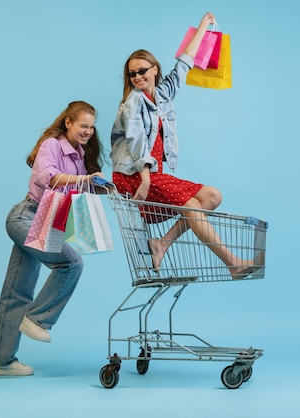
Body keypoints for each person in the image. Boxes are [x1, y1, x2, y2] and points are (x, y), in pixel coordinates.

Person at [110, 12, 263, 279]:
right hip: (133, 176)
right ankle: (233, 264)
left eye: (142, 71)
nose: (137, 77)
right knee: (193, 206)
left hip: (150, 174)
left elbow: (184, 63)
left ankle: (162, 244)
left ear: (155, 69)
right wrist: (145, 180)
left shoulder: (163, 94)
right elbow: (135, 142)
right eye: (132, 74)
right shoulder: (134, 101)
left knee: (212, 197)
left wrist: (204, 25)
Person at [0, 100, 105, 376]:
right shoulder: (52, 144)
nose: (88, 131)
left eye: (91, 127)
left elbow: (74, 192)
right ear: (68, 123)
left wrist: (97, 185)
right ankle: (38, 319)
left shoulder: (80, 155)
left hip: (47, 221)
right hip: (26, 216)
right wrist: (81, 180)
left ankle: (2, 362)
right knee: (71, 264)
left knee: (17, 290)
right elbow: (46, 177)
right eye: (83, 125)